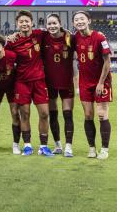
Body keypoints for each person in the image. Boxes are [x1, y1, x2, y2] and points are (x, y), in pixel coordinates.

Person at [6, 10, 54, 157]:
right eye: (21, 22)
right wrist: (7, 38)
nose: (24, 24)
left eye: (27, 21)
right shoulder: (13, 41)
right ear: (17, 24)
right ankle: (27, 146)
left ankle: (43, 146)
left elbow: (57, 32)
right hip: (22, 82)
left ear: (32, 23)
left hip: (39, 81)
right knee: (24, 114)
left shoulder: (40, 34)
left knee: (45, 114)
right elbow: (4, 56)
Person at [73, 10, 113, 160]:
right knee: (88, 115)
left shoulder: (99, 37)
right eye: (76, 20)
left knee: (102, 115)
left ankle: (104, 149)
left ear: (89, 20)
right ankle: (91, 148)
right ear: (73, 23)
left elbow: (107, 61)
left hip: (102, 82)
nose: (79, 22)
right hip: (84, 82)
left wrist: (101, 82)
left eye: (82, 19)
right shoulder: (74, 37)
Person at [43, 14, 76, 157]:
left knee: (67, 114)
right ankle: (58, 145)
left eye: (54, 23)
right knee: (53, 114)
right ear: (46, 25)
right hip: (49, 82)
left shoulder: (69, 37)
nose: (52, 26)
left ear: (60, 23)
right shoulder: (44, 37)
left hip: (66, 81)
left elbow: (83, 39)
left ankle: (69, 146)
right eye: (49, 24)